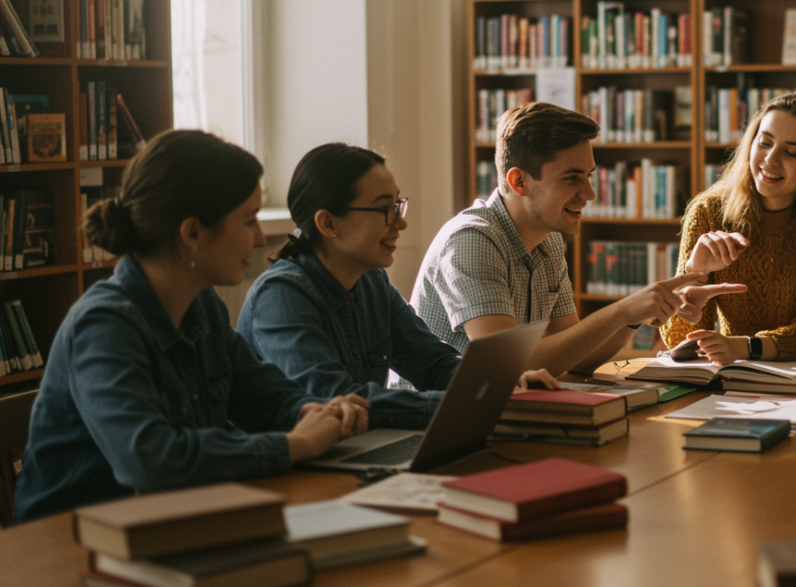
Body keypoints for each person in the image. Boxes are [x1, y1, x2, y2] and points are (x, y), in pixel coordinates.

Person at [14, 131, 369, 523]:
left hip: (176, 521)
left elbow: (264, 396)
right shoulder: (104, 326)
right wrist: (294, 445)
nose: (259, 238)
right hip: (75, 540)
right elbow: (150, 461)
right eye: (249, 220)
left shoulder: (203, 305)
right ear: (193, 233)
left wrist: (315, 412)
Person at [237, 144, 555, 432]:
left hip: (354, 447)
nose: (400, 223)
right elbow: (335, 397)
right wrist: (473, 402)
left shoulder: (372, 281)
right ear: (329, 224)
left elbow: (434, 363)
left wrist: (499, 384)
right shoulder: (280, 296)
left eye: (397, 205)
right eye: (384, 210)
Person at [411, 102, 744, 375]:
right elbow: (509, 368)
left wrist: (637, 315)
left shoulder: (549, 240)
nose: (589, 194)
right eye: (572, 178)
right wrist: (622, 311)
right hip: (431, 422)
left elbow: (576, 357)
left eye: (588, 176)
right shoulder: (471, 241)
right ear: (520, 182)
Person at [660, 92, 796, 365]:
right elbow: (678, 341)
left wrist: (746, 347)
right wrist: (694, 273)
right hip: (739, 369)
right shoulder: (708, 212)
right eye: (764, 143)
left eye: (791, 152)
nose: (771, 159)